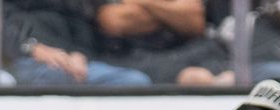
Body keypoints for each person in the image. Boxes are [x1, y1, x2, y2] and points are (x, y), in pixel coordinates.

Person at [3, 0, 153, 86]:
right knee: (132, 82)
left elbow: (89, 23)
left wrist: (79, 55)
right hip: (22, 59)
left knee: (137, 80)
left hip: (80, 58)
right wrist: (30, 47)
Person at [95, 0, 235, 84]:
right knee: (193, 77)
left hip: (187, 49)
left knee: (229, 70)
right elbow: (113, 21)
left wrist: (142, 3)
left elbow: (194, 21)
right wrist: (169, 12)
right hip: (129, 57)